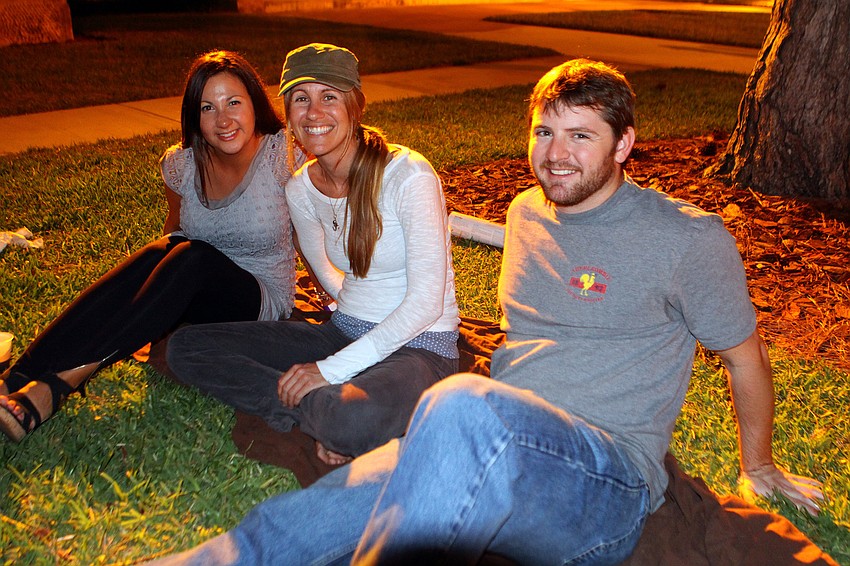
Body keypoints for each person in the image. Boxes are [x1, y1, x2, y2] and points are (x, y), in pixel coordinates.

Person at [146, 58, 823, 565]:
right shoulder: (528, 212)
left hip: (605, 481)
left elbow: (744, 357)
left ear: (623, 145)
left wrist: (758, 464)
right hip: (493, 441)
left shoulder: (688, 239)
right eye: (545, 132)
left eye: (581, 137)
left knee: (460, 407)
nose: (556, 155)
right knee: (362, 483)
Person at [165, 43, 460, 466]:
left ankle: (334, 414)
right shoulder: (301, 189)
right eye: (301, 99)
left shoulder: (407, 175)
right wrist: (338, 354)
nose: (314, 112)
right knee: (188, 347)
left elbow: (427, 303)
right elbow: (326, 273)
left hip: (420, 346)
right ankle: (323, 412)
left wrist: (331, 370)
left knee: (352, 418)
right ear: (287, 113)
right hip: (342, 331)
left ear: (355, 105)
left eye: (329, 97)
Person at [0, 50, 301, 443]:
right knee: (159, 252)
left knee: (191, 257)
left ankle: (61, 384)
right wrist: (151, 291)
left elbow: (310, 237)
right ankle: (16, 377)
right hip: (194, 284)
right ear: (194, 116)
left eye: (234, 103)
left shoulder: (283, 156)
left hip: (259, 298)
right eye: (208, 107)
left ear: (254, 103)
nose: (223, 120)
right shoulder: (182, 165)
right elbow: (174, 230)